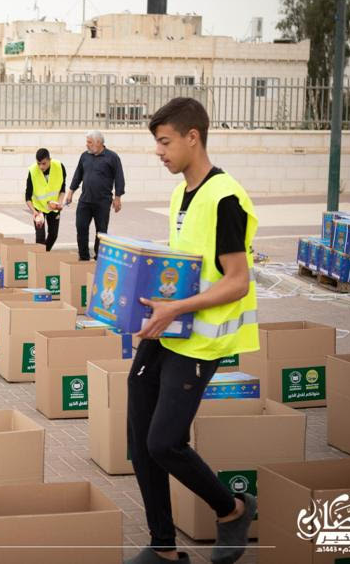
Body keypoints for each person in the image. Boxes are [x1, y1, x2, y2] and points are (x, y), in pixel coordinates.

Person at [126, 98, 259, 564]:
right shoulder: (182, 192)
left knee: (164, 442)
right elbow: (187, 263)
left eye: (164, 142)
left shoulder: (225, 196)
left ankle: (233, 509)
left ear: (192, 137)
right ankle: (163, 549)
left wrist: (176, 307)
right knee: (140, 443)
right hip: (169, 330)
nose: (158, 152)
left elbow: (237, 280)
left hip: (201, 339)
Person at [65, 130, 126, 261]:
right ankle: (84, 257)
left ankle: (99, 258)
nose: (87, 145)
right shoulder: (84, 156)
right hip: (85, 201)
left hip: (102, 202)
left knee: (101, 232)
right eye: (87, 142)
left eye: (89, 142)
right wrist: (71, 192)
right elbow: (78, 175)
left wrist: (117, 197)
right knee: (81, 228)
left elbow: (119, 178)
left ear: (99, 143)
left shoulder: (112, 157)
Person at [24, 148, 66, 251]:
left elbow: (62, 189)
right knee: (40, 238)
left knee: (53, 235)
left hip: (53, 207)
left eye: (44, 163)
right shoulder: (32, 171)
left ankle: (44, 255)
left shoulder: (59, 167)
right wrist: (34, 212)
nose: (41, 166)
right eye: (39, 163)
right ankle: (40, 258)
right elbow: (28, 197)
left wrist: (59, 203)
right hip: (39, 209)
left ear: (49, 160)